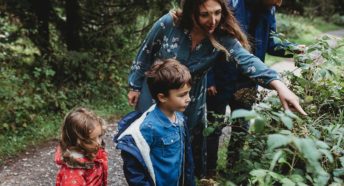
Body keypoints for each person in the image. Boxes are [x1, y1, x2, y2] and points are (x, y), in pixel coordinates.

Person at [127, 0, 306, 177]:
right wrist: (134, 85)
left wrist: (279, 85)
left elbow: (248, 61)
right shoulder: (169, 23)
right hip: (154, 96)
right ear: (192, 12)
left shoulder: (222, 37)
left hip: (190, 101)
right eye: (205, 14)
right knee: (147, 144)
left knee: (181, 149)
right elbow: (145, 52)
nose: (213, 20)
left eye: (217, 12)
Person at [205, 0, 305, 177]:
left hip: (249, 79)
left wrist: (293, 48)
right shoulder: (231, 5)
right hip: (221, 78)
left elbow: (271, 42)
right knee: (214, 125)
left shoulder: (269, 9)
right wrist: (209, 77)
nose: (279, 4)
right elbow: (210, 37)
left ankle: (232, 168)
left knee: (241, 126)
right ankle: (209, 172)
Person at [115, 59, 195, 186]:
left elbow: (185, 157)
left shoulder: (180, 118)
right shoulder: (148, 128)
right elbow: (133, 167)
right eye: (182, 95)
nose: (188, 99)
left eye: (188, 93)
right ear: (162, 97)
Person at [55, 107, 108, 186]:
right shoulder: (73, 174)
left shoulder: (92, 149)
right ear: (75, 142)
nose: (98, 143)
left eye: (99, 136)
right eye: (91, 140)